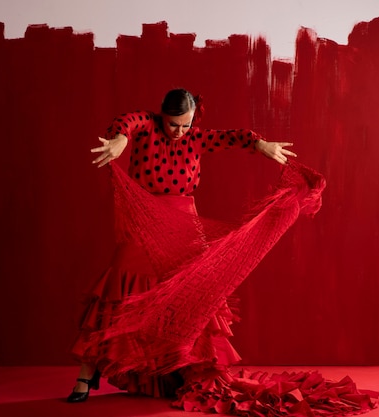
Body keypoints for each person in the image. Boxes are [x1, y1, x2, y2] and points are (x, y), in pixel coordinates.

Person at [65, 88, 297, 403]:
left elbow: (232, 137)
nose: (179, 132)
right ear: (162, 115)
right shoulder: (147, 126)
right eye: (174, 124)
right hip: (145, 221)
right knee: (116, 294)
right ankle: (86, 374)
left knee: (191, 297)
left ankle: (192, 372)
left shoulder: (196, 138)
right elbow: (128, 121)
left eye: (185, 125)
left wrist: (259, 144)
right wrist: (120, 138)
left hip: (185, 225)